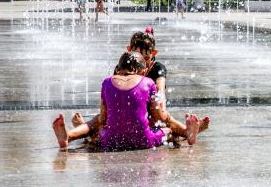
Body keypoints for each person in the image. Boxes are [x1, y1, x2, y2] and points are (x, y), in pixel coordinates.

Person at [65, 30, 209, 147]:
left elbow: (161, 100)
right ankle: (188, 132)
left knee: (98, 131)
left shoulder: (156, 70)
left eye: (146, 59)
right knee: (169, 134)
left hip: (150, 115)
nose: (142, 64)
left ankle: (81, 130)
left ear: (153, 55)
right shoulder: (123, 70)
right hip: (137, 125)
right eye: (139, 57)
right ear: (129, 51)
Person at [53, 52, 202, 151]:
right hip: (143, 141)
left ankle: (69, 136)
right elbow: (159, 117)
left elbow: (103, 119)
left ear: (118, 69)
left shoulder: (107, 82)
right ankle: (187, 133)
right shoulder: (148, 82)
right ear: (142, 71)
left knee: (98, 131)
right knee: (168, 131)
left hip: (111, 142)